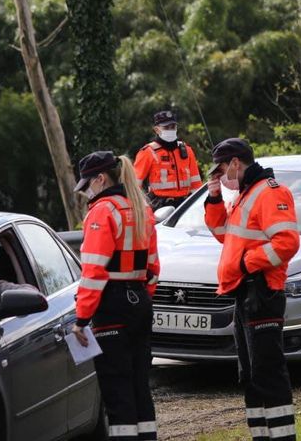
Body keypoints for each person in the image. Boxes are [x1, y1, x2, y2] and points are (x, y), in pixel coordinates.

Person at [204, 138, 300, 441]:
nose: (219, 175)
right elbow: (224, 235)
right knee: (251, 376)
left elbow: (287, 242)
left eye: (221, 170)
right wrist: (214, 196)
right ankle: (262, 435)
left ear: (235, 163)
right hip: (244, 295)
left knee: (268, 373)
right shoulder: (244, 195)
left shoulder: (270, 192)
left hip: (262, 292)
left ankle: (282, 437)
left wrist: (247, 264)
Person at [71, 151, 160, 441]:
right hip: (139, 302)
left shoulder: (102, 212)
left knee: (117, 390)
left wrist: (82, 319)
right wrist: (139, 296)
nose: (86, 193)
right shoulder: (141, 208)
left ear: (100, 178)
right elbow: (153, 268)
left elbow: (93, 272)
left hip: (112, 307)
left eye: (87, 185)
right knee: (139, 387)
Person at [133, 109, 203, 210]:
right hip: (159, 207)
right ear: (156, 130)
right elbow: (135, 186)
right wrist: (145, 207)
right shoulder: (148, 152)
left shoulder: (187, 151)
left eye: (173, 127)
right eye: (166, 127)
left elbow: (196, 185)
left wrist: (198, 207)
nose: (170, 130)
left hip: (185, 206)